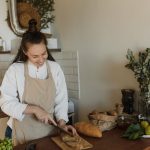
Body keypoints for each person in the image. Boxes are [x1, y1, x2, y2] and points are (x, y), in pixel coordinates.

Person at [0, 19, 77, 145]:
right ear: (25, 52)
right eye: (35, 56)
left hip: (50, 132)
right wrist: (35, 109)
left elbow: (61, 100)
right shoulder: (15, 70)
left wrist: (62, 123)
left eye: (44, 53)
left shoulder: (55, 68)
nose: (41, 60)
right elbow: (6, 103)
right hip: (21, 133)